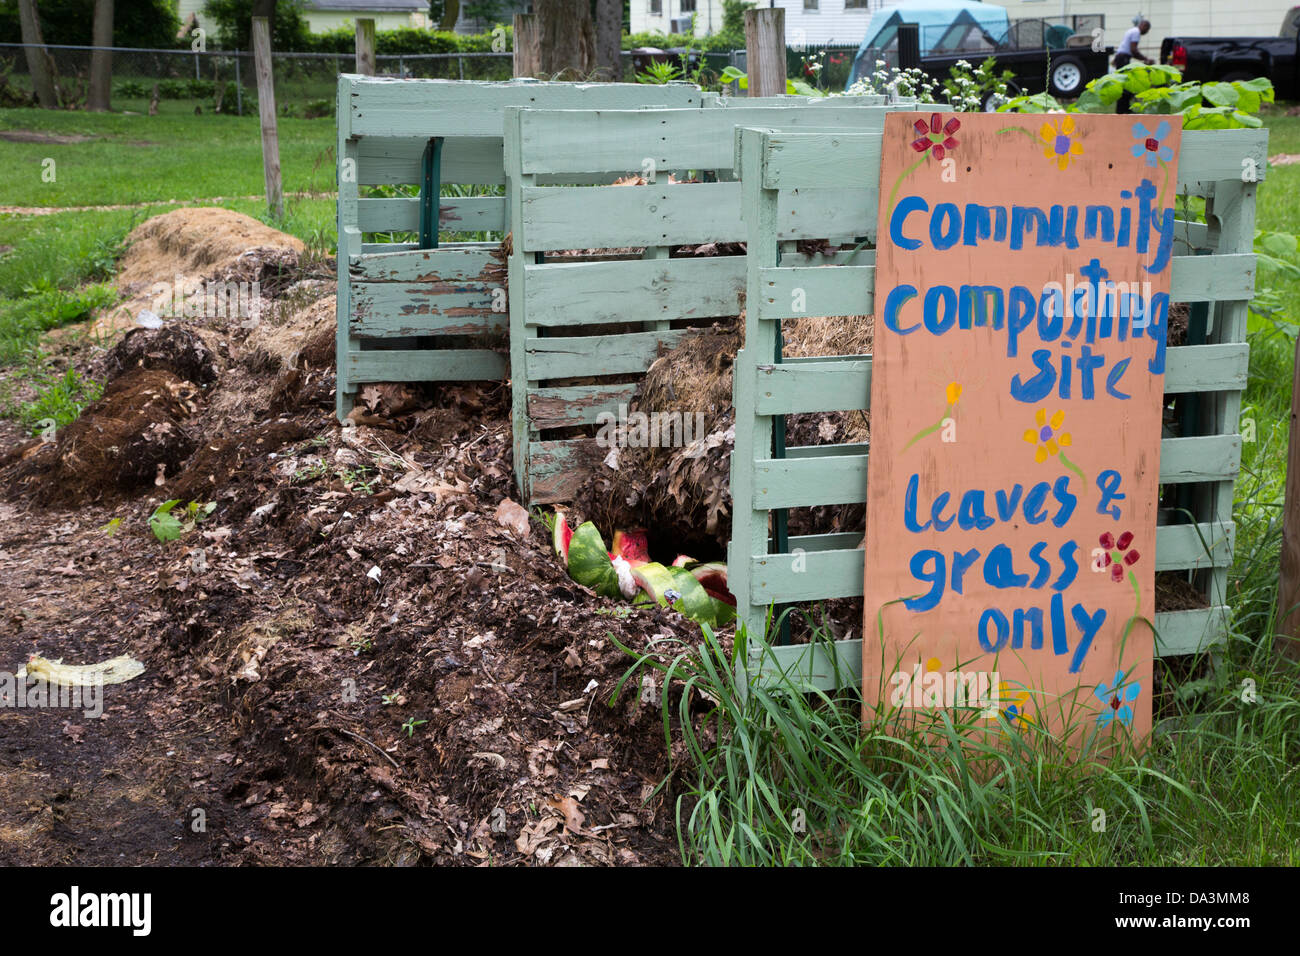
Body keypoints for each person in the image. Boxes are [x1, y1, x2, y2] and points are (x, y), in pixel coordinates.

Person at [1112, 18, 1152, 114]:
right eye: (1147, 29)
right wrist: (1145, 59)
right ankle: (1123, 110)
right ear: (1144, 26)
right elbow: (1133, 50)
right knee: (1126, 85)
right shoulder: (1136, 32)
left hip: (1120, 57)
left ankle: (1122, 109)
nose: (1146, 32)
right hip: (1123, 58)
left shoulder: (1131, 30)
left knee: (1123, 83)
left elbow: (1123, 46)